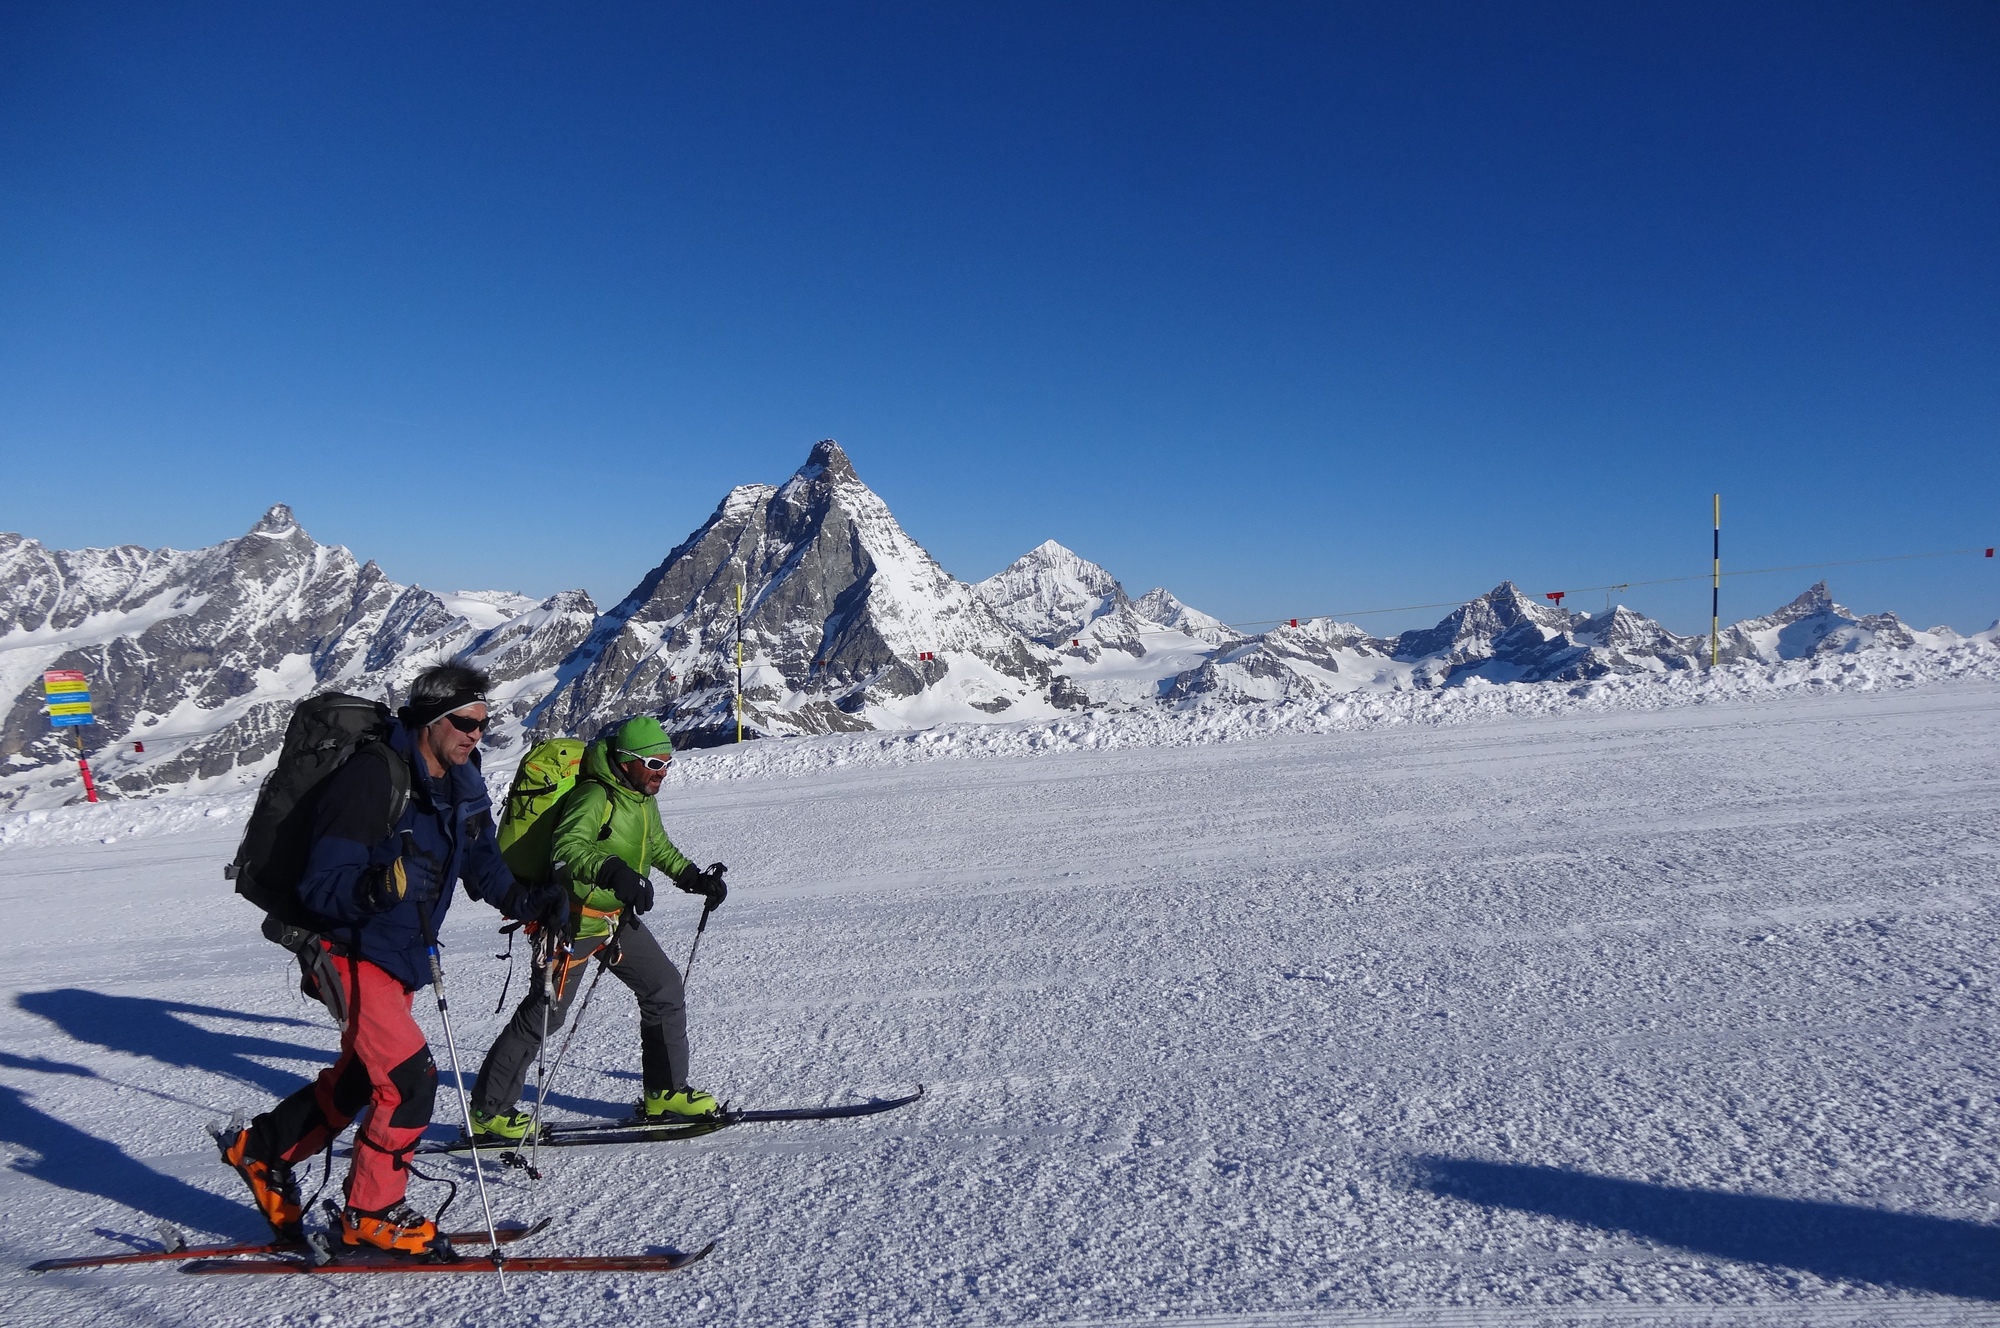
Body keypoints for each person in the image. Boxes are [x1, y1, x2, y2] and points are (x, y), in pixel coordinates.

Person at [218, 664, 567, 1254]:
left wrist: (527, 902)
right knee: (408, 1079)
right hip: (345, 948)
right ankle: (371, 1210)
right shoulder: (373, 777)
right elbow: (320, 884)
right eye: (465, 723)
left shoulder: (462, 777)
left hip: (397, 952)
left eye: (483, 724)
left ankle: (264, 1149)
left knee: (364, 1076)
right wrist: (375, 890)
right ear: (430, 720)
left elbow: (481, 860)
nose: (476, 735)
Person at [467, 715, 728, 1142]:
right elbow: (567, 848)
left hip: (614, 919)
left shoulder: (641, 797)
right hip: (571, 921)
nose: (663, 772)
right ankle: (488, 1111)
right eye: (655, 763)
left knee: (663, 988)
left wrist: (693, 878)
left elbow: (657, 846)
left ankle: (664, 1093)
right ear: (626, 761)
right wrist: (613, 871)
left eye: (667, 763)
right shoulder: (594, 795)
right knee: (545, 1014)